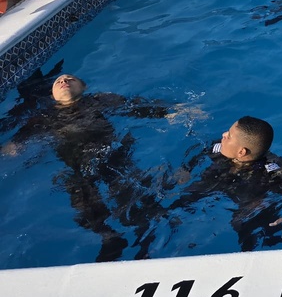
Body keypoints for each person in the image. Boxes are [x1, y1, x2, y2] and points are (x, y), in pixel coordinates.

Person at [1, 71, 195, 261]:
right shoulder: (44, 116)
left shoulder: (98, 100)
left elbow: (133, 106)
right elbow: (19, 141)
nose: (64, 81)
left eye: (70, 79)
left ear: (84, 87)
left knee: (130, 194)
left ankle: (147, 240)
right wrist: (11, 147)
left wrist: (171, 111)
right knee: (81, 196)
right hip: (78, 164)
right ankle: (109, 237)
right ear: (51, 95)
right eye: (58, 81)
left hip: (112, 155)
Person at [167, 116, 282, 250]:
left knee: (245, 228)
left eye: (228, 136)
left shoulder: (272, 169)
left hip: (249, 196)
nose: (223, 135)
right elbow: (198, 152)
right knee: (177, 203)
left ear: (241, 152)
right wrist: (186, 169)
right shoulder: (218, 148)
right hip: (216, 180)